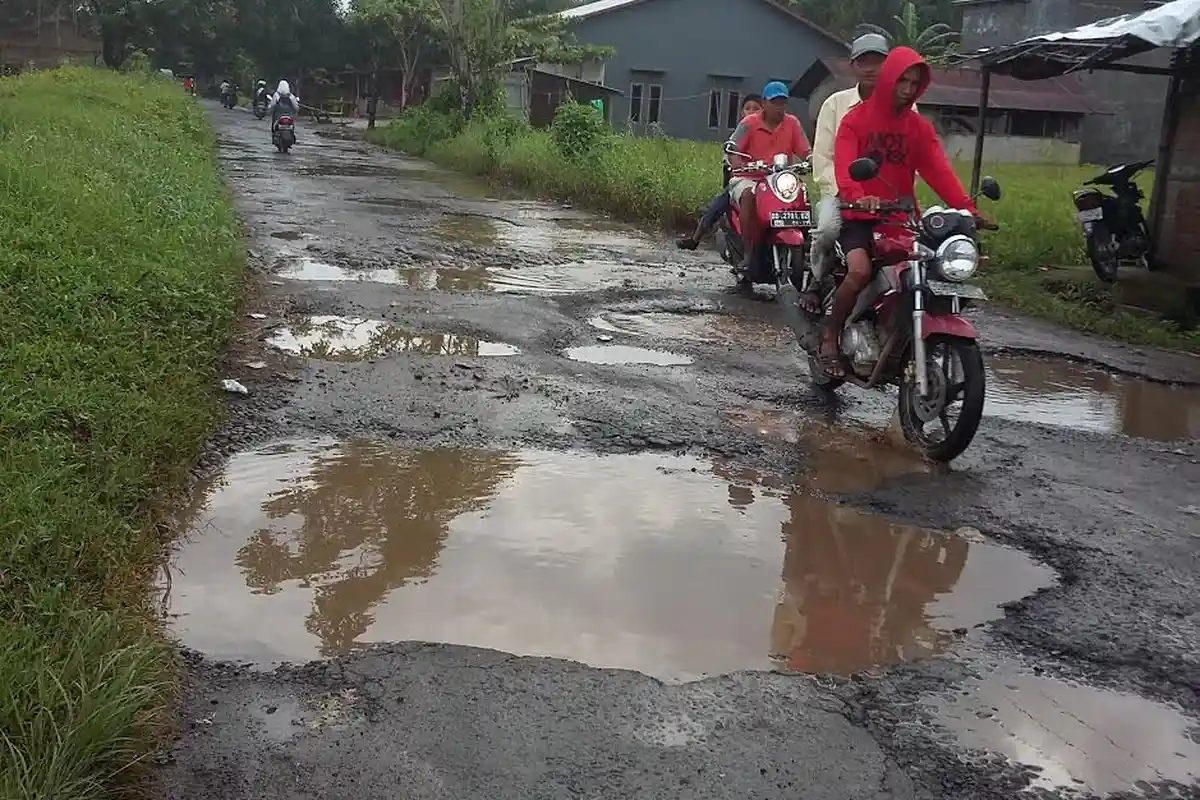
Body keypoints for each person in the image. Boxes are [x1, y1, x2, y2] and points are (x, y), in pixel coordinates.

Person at [818, 46, 988, 378]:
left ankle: (901, 338)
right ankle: (829, 336)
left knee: (928, 272)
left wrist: (968, 209)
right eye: (902, 81)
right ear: (888, 81)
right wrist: (859, 195)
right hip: (859, 217)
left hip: (900, 218)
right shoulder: (856, 119)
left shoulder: (918, 128)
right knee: (859, 271)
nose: (908, 90)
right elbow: (844, 166)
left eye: (914, 83)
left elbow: (939, 171)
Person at [722, 81, 811, 277]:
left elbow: (805, 150)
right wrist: (739, 164)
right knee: (748, 196)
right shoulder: (749, 123)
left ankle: (806, 247)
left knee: (803, 196)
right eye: (774, 102)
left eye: (782, 102)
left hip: (779, 179)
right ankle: (749, 253)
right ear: (764, 103)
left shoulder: (792, 123)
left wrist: (811, 160)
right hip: (750, 177)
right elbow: (733, 148)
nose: (779, 107)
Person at [675, 93, 763, 250]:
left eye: (756, 108)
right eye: (748, 108)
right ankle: (695, 238)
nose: (752, 112)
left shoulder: (767, 131)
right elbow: (729, 156)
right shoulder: (739, 133)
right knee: (716, 206)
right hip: (742, 180)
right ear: (742, 112)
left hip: (767, 181)